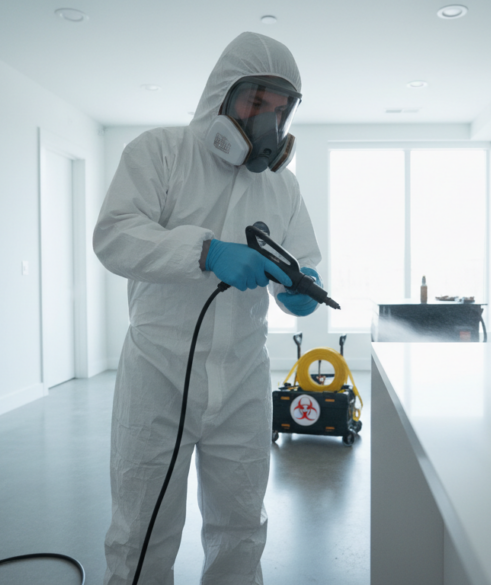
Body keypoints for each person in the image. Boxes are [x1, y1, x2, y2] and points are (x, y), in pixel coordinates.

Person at [93, 31, 322, 585]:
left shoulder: (282, 187)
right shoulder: (160, 152)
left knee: (241, 525)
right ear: (222, 93)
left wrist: (302, 285)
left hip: (243, 375)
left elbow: (302, 259)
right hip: (159, 373)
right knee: (143, 528)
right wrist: (205, 252)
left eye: (280, 110)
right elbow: (114, 235)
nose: (268, 122)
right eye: (256, 102)